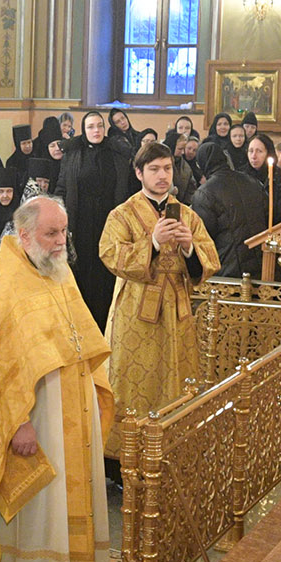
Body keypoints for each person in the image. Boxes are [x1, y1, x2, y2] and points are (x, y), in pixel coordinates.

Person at [0, 193, 114, 562]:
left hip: (71, 407)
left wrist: (95, 389)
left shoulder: (58, 271)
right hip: (37, 415)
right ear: (24, 235)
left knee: (65, 500)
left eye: (63, 231)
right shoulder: (8, 287)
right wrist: (19, 423)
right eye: (51, 232)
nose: (61, 240)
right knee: (39, 504)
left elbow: (82, 336)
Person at [100, 139, 210, 418]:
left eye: (167, 168)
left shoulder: (187, 214)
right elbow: (110, 254)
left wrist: (189, 248)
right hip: (135, 310)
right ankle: (126, 446)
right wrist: (153, 243)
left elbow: (209, 259)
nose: (162, 176)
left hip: (176, 311)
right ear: (139, 173)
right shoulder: (121, 214)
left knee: (176, 380)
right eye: (154, 169)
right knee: (132, 380)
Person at [56, 110, 133, 329]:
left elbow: (126, 189)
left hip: (109, 223)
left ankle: (106, 326)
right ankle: (82, 327)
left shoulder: (116, 152)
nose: (96, 131)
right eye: (91, 127)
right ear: (83, 129)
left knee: (106, 274)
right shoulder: (73, 153)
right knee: (82, 273)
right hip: (80, 224)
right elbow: (62, 187)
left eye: (99, 126)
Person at [193, 131, 273, 279]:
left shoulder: (204, 193)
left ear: (201, 164)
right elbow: (268, 216)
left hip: (228, 270)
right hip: (262, 264)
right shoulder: (251, 180)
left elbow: (204, 237)